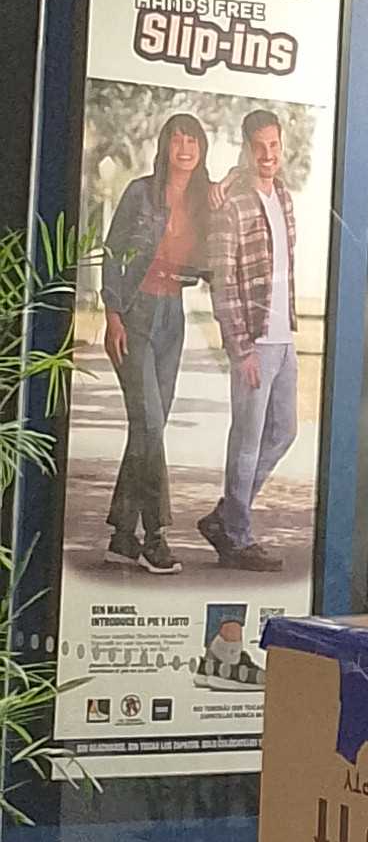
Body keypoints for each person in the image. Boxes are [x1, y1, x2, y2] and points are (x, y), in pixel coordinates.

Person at [100, 111, 212, 572]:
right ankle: (156, 535)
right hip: (137, 311)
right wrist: (112, 314)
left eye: (192, 141)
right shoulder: (140, 192)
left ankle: (122, 536)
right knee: (149, 424)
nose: (184, 148)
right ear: (165, 146)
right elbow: (112, 252)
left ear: (202, 149)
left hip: (173, 317)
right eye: (177, 140)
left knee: (149, 427)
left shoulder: (206, 200)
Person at [202, 106, 298, 569]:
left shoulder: (285, 197)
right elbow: (222, 282)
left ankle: (226, 516)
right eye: (259, 147)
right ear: (246, 148)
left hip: (284, 337)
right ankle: (238, 538)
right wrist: (240, 349)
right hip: (254, 343)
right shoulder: (232, 206)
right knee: (246, 440)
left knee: (284, 431)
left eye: (273, 145)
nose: (267, 154)